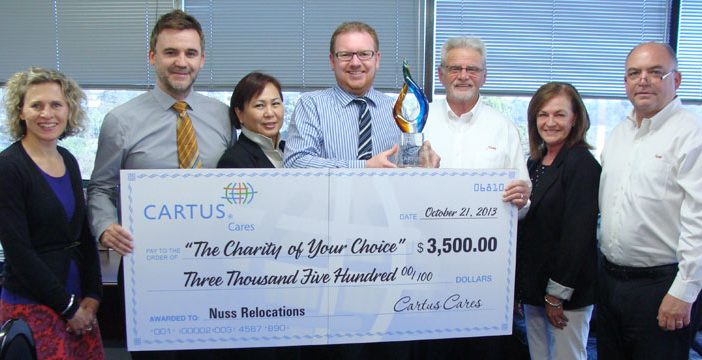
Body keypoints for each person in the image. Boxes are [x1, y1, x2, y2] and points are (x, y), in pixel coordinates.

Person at [87, 10, 231, 359]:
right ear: (153, 56)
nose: (181, 62)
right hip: (149, 271)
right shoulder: (120, 120)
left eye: (190, 53)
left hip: (215, 267)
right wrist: (105, 226)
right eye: (171, 52)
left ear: (201, 59)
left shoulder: (223, 116)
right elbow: (101, 188)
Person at [419, 36, 531, 359]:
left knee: (483, 351)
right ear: (441, 74)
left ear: (484, 75)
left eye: (472, 68)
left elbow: (522, 202)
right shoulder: (418, 123)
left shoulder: (503, 128)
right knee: (433, 350)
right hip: (427, 269)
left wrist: (523, 199)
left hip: (486, 274)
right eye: (455, 68)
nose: (463, 75)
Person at [597, 41, 702, 359]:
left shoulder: (692, 134)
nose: (643, 80)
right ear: (625, 82)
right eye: (634, 73)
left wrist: (684, 291)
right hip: (610, 280)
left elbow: (699, 218)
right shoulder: (618, 134)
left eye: (655, 72)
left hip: (661, 285)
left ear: (677, 80)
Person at [0, 67, 104, 359]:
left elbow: (82, 233)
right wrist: (69, 307)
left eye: (56, 104)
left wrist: (93, 295)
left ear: (68, 110)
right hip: (34, 304)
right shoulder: (9, 167)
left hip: (78, 305)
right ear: (21, 112)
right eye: (36, 105)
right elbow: (19, 252)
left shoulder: (68, 159)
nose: (47, 114)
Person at [517, 82, 600, 360]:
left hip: (565, 295)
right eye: (543, 114)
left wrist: (556, 295)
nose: (549, 122)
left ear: (575, 118)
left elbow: (577, 236)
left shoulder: (582, 164)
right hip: (534, 289)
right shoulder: (534, 163)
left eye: (559, 114)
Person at [283, 21, 439, 169]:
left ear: (377, 60)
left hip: (385, 197)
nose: (355, 62)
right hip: (331, 197)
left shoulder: (395, 110)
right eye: (345, 54)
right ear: (332, 61)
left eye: (364, 54)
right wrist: (364, 167)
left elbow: (405, 162)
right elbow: (295, 162)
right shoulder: (311, 105)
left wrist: (421, 157)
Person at [218, 72, 285, 169]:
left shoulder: (289, 150)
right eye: (259, 105)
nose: (270, 113)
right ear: (239, 113)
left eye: (275, 103)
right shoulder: (233, 161)